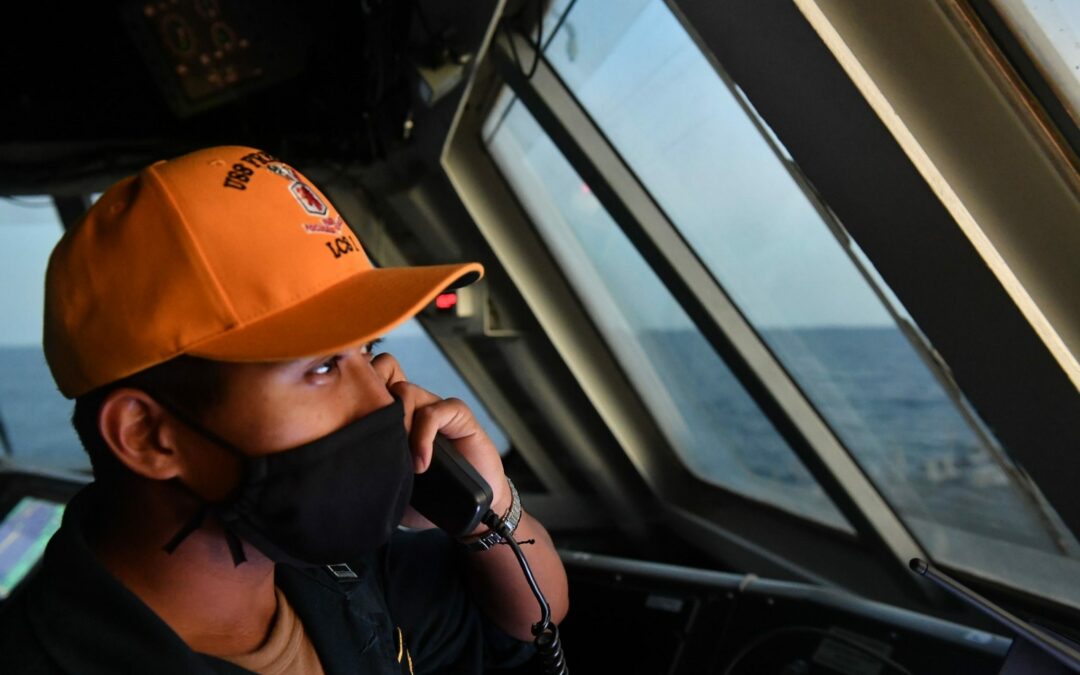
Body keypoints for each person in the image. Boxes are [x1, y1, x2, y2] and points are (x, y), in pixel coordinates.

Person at [0, 146, 569, 673]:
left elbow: (524, 625)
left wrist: (489, 507)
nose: (385, 398)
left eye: (366, 352)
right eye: (322, 368)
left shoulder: (327, 561)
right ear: (148, 435)